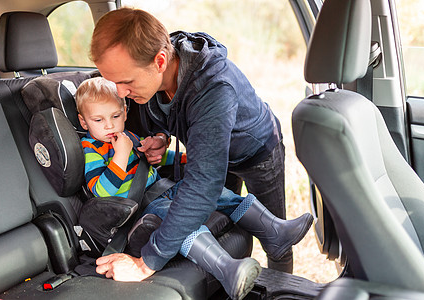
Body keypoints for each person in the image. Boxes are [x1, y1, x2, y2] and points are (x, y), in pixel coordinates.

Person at [90, 7, 304, 279]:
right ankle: (238, 282)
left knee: (276, 240)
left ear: (160, 61)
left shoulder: (212, 85)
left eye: (126, 81)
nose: (121, 93)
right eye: (113, 82)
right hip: (209, 151)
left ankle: (282, 289)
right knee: (229, 229)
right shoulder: (149, 81)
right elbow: (163, 118)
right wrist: (161, 137)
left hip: (256, 150)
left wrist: (147, 262)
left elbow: (204, 184)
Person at [76, 77, 312, 299]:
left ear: (125, 112)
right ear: (83, 121)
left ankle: (274, 231)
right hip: (142, 209)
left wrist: (185, 159)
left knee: (217, 192)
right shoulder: (92, 150)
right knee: (179, 217)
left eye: (115, 116)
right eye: (98, 120)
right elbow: (102, 192)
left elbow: (154, 159)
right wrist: (121, 155)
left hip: (162, 188)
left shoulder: (127, 137)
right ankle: (228, 270)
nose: (109, 125)